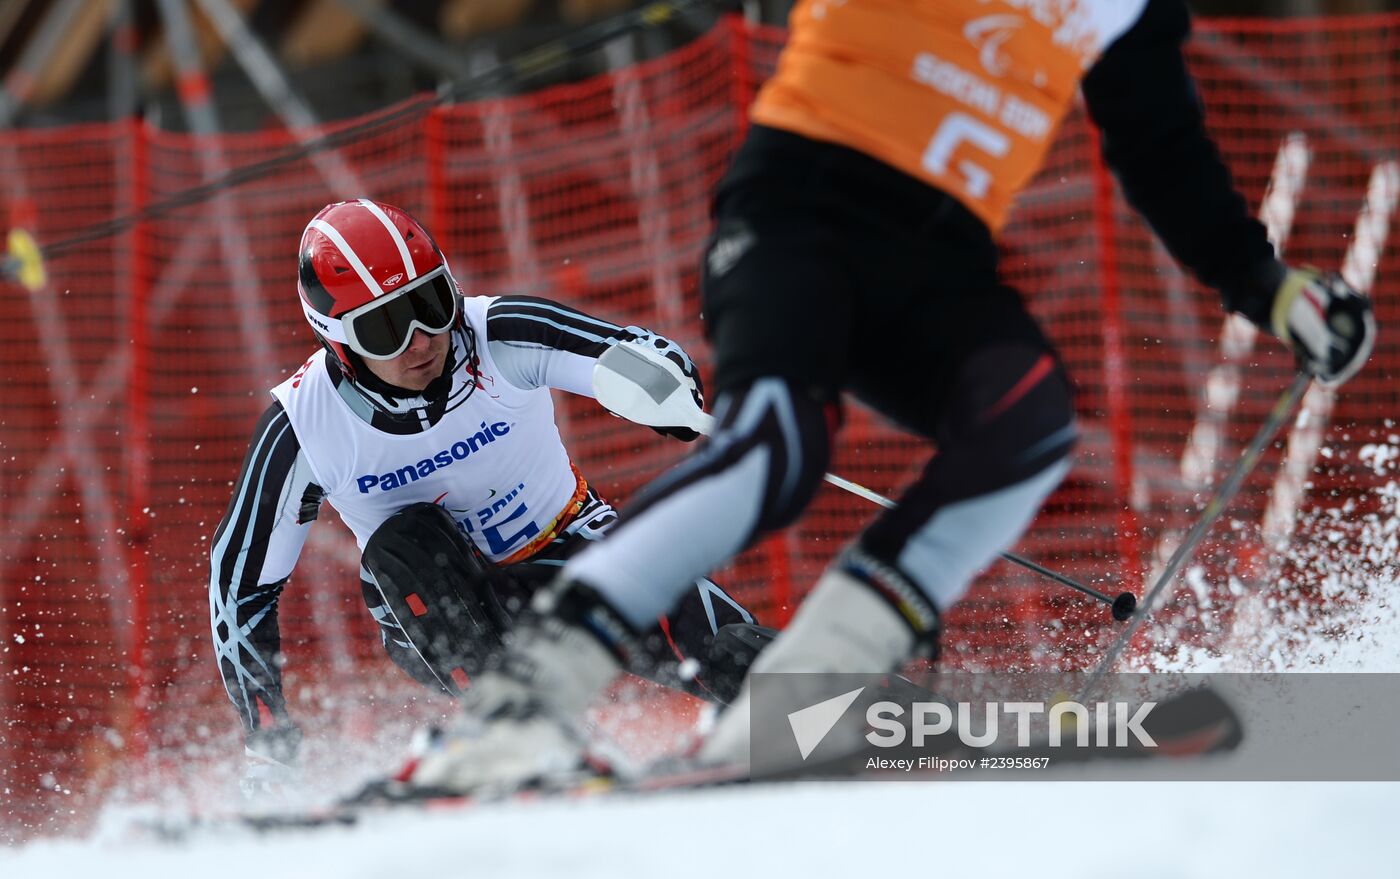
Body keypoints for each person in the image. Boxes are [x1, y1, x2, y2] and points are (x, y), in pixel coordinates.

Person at [404, 0, 1376, 790]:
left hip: (937, 265)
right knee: (780, 444)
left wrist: (1271, 290)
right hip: (800, 214)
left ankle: (799, 702)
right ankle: (522, 705)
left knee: (1027, 420)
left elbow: (1162, 148)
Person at [209, 198, 771, 796]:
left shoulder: (498, 334)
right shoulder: (306, 426)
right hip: (438, 603)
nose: (421, 341)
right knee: (405, 546)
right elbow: (240, 584)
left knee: (726, 648)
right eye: (385, 327)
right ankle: (515, 738)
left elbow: (641, 355)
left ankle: (853, 715)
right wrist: (269, 744)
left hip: (570, 551)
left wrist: (660, 388)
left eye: (430, 304)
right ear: (338, 340)